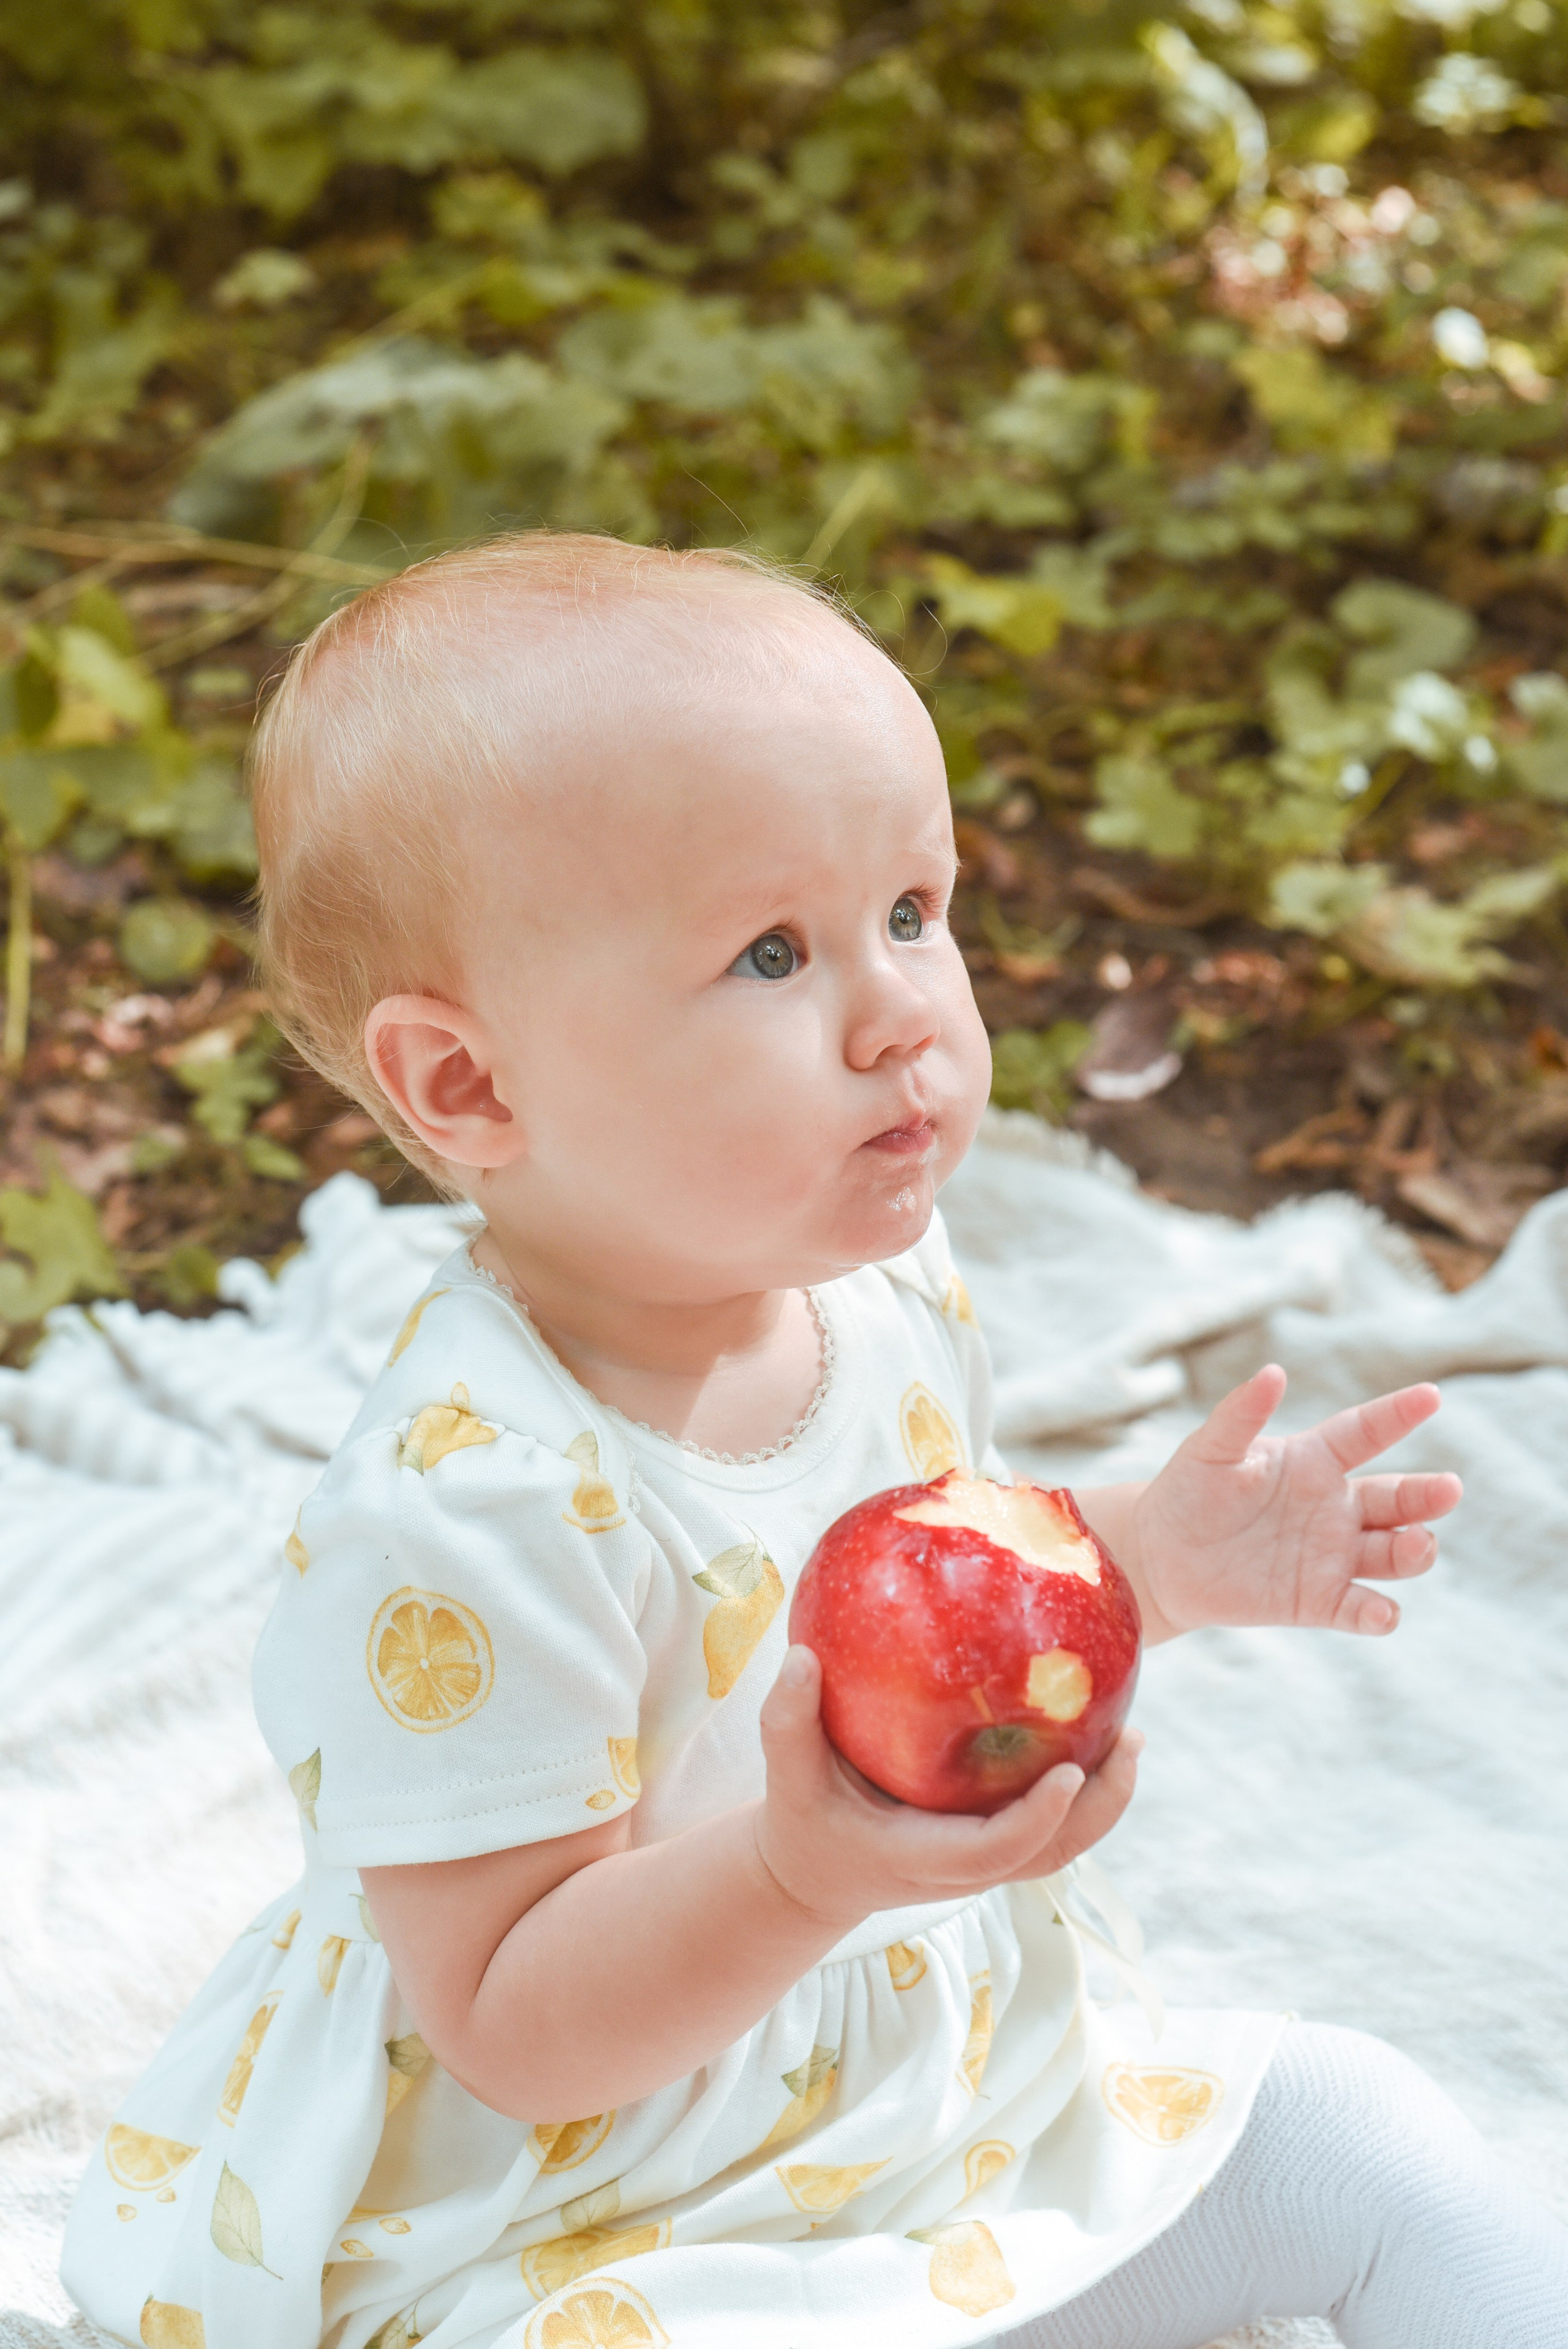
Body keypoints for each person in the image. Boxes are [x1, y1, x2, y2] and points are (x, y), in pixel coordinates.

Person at [63, 534, 1567, 2349]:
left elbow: (930, 1578)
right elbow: (512, 2017)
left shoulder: (876, 1276)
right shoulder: (471, 1509)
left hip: (938, 2113)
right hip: (615, 2220)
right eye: (774, 952)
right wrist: (799, 1870)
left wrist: (1147, 1558)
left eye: (916, 913)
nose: (901, 1016)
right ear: (471, 1084)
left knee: (1367, 2140)